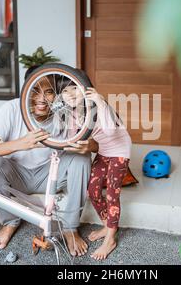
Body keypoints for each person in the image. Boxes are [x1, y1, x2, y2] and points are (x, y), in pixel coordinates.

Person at [0, 70, 98, 257]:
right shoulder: (12, 109)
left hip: (51, 175)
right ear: (25, 90)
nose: (41, 99)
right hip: (16, 174)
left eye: (48, 91)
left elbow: (99, 145)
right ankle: (10, 222)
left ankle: (70, 228)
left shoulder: (66, 110)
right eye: (34, 90)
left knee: (82, 157)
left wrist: (89, 145)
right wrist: (19, 144)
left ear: (56, 94)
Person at [60, 82, 132, 261]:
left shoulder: (98, 105)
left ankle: (110, 240)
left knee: (112, 196)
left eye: (74, 88)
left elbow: (109, 132)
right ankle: (107, 225)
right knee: (92, 191)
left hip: (119, 151)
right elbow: (72, 136)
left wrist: (100, 102)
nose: (70, 93)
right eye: (65, 91)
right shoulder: (72, 112)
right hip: (104, 151)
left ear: (85, 88)